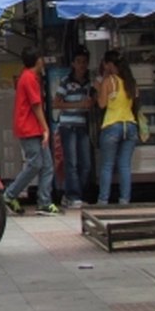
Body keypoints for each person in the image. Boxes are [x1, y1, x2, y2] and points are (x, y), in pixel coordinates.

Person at [3, 46, 60, 215]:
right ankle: (11, 193)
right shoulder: (29, 78)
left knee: (47, 165)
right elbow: (36, 106)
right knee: (36, 163)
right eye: (41, 58)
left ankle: (44, 202)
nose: (43, 62)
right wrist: (45, 128)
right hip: (29, 127)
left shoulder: (28, 76)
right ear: (37, 60)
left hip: (30, 126)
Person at [96, 50, 139, 205]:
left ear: (109, 65)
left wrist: (99, 87)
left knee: (107, 165)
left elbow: (102, 104)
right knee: (125, 165)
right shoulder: (131, 82)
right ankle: (124, 200)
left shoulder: (109, 81)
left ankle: (103, 200)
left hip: (112, 125)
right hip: (130, 125)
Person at [55, 47, 95, 209]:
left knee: (85, 164)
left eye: (84, 62)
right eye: (78, 62)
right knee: (71, 162)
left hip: (82, 125)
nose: (81, 65)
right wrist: (79, 104)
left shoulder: (89, 83)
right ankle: (73, 196)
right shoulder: (66, 81)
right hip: (67, 125)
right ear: (73, 64)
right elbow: (56, 103)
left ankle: (76, 193)